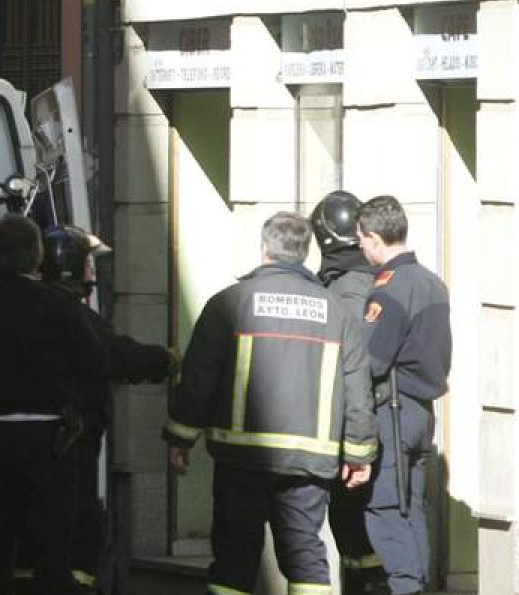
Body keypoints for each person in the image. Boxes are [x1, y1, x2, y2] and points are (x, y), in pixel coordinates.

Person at [163, 211, 378, 595]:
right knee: (304, 554)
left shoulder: (230, 303)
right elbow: (358, 387)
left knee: (234, 555)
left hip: (241, 456)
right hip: (310, 461)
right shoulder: (336, 311)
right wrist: (359, 454)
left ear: (265, 249)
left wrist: (181, 437)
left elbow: (199, 377)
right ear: (306, 252)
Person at [0, 214, 106, 595]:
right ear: (37, 258)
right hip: (48, 438)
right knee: (52, 546)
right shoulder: (60, 305)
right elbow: (92, 360)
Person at [35, 225, 176, 594]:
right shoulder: (74, 315)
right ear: (72, 266)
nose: (92, 272)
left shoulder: (37, 308)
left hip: (50, 438)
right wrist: (165, 360)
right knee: (80, 525)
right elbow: (114, 355)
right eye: (88, 263)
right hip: (73, 439)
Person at [355, 195, 452, 595]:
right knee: (412, 508)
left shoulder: (390, 289)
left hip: (392, 412)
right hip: (421, 412)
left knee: (386, 510)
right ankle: (420, 586)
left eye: (361, 239)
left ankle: (407, 589)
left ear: (376, 239)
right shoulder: (432, 281)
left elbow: (371, 362)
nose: (360, 246)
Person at [311, 191, 386, 594]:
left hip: (357, 427)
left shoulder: (346, 291)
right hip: (371, 420)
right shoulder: (367, 279)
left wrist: (354, 444)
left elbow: (355, 370)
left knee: (353, 523)